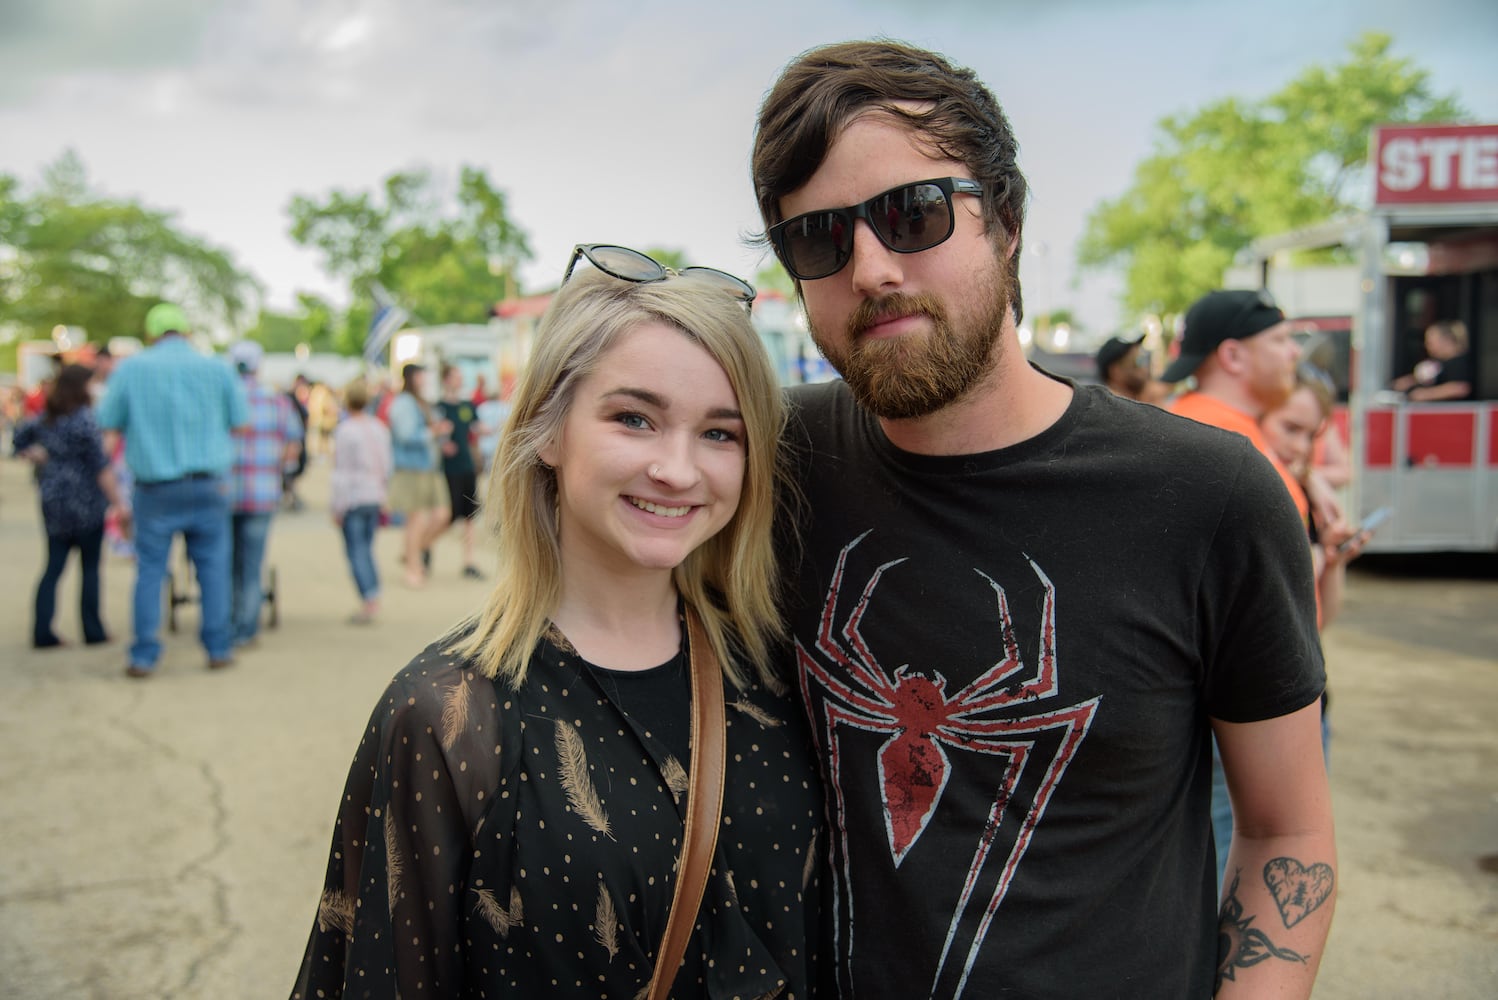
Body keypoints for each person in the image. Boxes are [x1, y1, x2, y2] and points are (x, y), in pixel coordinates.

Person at [750, 40, 1334, 998]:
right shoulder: (771, 461)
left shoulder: (1207, 495)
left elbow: (1286, 832)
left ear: (1007, 221)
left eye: (913, 213)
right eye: (818, 238)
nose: (872, 267)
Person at [290, 251, 823, 999]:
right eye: (633, 418)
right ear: (547, 430)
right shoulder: (447, 716)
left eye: (719, 434)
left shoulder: (776, 675)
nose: (677, 468)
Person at [97, 302, 248, 677]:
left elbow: (109, 422)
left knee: (150, 569)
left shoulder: (131, 368)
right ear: (187, 331)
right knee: (213, 569)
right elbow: (241, 424)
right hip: (209, 484)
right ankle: (217, 647)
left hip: (154, 487)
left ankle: (144, 654)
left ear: (151, 334)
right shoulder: (217, 367)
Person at [13, 363, 130, 648]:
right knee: (89, 566)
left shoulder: (47, 418)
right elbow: (100, 465)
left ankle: (43, 631)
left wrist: (34, 453)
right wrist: (118, 503)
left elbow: (19, 437)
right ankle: (93, 630)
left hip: (54, 498)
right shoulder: (84, 420)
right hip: (85, 500)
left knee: (53, 565)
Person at [226, 340, 304, 650]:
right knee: (251, 562)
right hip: (262, 493)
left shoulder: (222, 397)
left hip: (226, 493)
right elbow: (293, 445)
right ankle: (247, 626)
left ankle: (228, 623)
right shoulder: (277, 401)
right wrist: (278, 471)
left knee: (225, 562)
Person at [329, 377, 392, 624]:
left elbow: (341, 471)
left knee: (356, 550)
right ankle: (373, 592)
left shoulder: (345, 431)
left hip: (354, 496)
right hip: (374, 494)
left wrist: (337, 504)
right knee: (366, 547)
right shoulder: (379, 428)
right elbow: (387, 465)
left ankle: (369, 598)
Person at [386, 363, 451, 587]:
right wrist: (433, 432)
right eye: (422, 375)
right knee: (416, 519)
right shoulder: (404, 403)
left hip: (429, 467)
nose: (425, 380)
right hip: (411, 468)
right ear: (413, 377)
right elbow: (406, 436)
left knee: (442, 515)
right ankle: (413, 568)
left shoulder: (420, 402)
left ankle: (412, 552)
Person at [435, 362, 486, 579]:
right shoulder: (439, 408)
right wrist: (441, 442)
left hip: (467, 465)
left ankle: (469, 560)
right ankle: (423, 545)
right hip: (450, 468)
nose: (460, 379)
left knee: (469, 514)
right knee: (450, 514)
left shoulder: (467, 406)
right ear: (446, 379)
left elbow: (478, 427)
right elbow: (434, 433)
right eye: (456, 375)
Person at [1391, 319, 1473, 402]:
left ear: (1446, 340)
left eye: (1431, 342)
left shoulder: (1459, 362)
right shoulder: (1440, 363)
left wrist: (1426, 394)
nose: (1427, 347)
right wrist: (1410, 382)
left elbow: (1461, 388)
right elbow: (1426, 377)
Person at [1095, 333, 1168, 404]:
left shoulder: (1145, 399)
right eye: (1138, 362)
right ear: (1116, 371)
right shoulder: (1108, 409)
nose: (1145, 369)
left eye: (1144, 360)